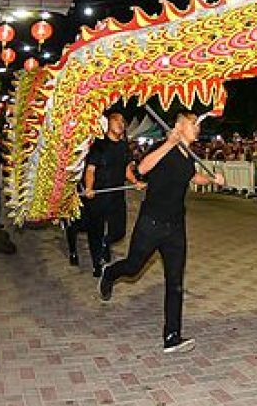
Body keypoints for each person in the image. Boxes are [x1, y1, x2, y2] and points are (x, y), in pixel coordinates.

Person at [98, 112, 224, 353]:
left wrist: (211, 179)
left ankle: (172, 335)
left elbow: (191, 177)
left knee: (175, 282)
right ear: (179, 126)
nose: (198, 127)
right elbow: (143, 168)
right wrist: (169, 142)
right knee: (133, 267)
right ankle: (110, 273)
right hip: (151, 223)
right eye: (193, 123)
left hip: (175, 227)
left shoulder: (188, 156)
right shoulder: (164, 147)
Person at [76, 109, 137, 276]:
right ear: (108, 124)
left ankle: (105, 243)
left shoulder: (124, 146)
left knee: (119, 231)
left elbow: (126, 170)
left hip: (117, 195)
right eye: (116, 120)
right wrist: (88, 187)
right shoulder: (99, 145)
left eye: (123, 122)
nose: (120, 124)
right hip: (98, 194)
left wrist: (135, 182)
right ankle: (97, 264)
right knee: (95, 230)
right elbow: (90, 170)